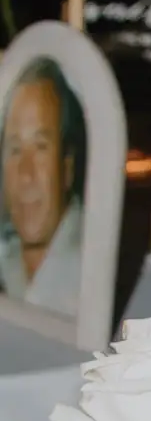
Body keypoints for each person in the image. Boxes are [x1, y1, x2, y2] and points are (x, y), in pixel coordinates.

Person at [0, 58, 87, 315]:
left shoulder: (100, 268)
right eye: (15, 150)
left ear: (67, 167)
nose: (26, 175)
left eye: (40, 148)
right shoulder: (6, 260)